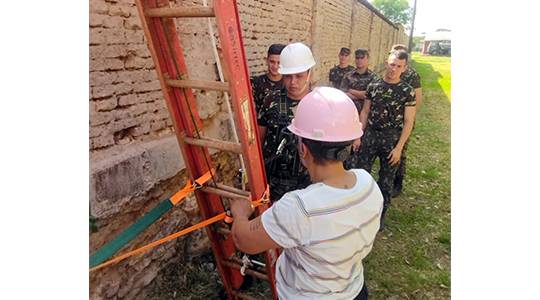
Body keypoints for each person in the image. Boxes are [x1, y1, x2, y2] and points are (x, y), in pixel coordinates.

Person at [230, 87, 384, 299]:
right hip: (355, 291)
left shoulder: (299, 208)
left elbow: (243, 240)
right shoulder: (368, 183)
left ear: (303, 149)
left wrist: (240, 212)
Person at [357, 49, 416, 231]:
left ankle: (380, 214)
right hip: (370, 136)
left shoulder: (407, 91)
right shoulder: (374, 86)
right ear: (386, 63)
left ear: (404, 68)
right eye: (391, 64)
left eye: (398, 66)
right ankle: (361, 211)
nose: (393, 69)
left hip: (391, 139)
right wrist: (358, 135)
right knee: (362, 175)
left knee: (386, 180)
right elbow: (365, 111)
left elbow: (408, 122)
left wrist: (399, 148)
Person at [257, 42, 315, 201]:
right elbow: (259, 138)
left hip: (306, 184)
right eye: (288, 76)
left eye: (299, 76)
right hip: (273, 181)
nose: (293, 82)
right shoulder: (272, 100)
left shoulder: (318, 104)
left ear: (309, 73)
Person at [389, 44, 423, 197]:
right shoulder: (388, 71)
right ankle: (387, 178)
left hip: (404, 119)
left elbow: (418, 99)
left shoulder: (412, 75)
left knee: (400, 150)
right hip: (389, 120)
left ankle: (398, 181)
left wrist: (406, 118)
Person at [339, 48, 380, 170]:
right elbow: (342, 94)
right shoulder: (348, 76)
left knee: (363, 151)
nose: (359, 60)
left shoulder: (374, 78)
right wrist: (362, 94)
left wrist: (352, 91)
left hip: (365, 118)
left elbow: (371, 97)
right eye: (357, 58)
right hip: (348, 118)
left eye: (362, 58)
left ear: (367, 59)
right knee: (346, 149)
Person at [250, 44, 286, 114]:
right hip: (261, 124)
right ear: (267, 60)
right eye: (272, 62)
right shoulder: (256, 82)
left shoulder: (289, 84)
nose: (275, 66)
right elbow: (235, 83)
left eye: (279, 63)